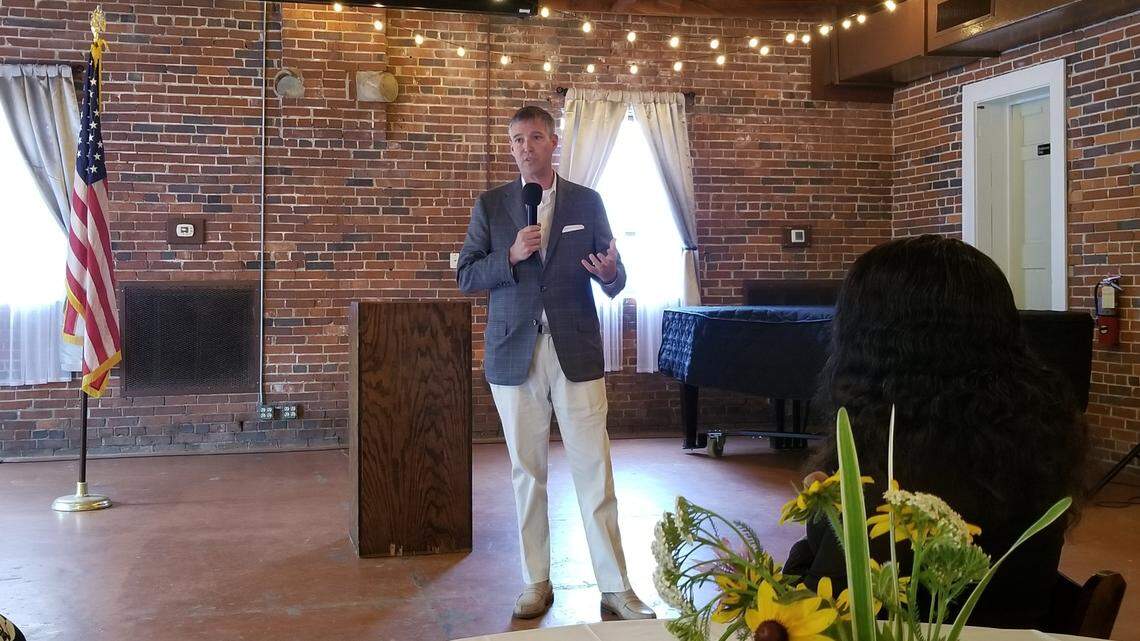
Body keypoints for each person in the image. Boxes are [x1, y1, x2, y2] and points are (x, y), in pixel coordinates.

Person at [784, 235, 1086, 629]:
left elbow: (819, 614)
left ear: (868, 347)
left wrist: (819, 523)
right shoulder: (1038, 435)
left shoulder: (888, 468)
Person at [456, 105, 655, 621]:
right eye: (517, 139)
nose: (525, 147)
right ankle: (535, 582)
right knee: (528, 472)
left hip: (576, 351)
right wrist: (512, 257)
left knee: (595, 469)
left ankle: (615, 586)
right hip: (514, 353)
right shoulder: (492, 205)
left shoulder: (587, 202)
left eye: (535, 137)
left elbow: (613, 276)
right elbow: (467, 276)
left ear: (554, 143)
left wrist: (612, 273)